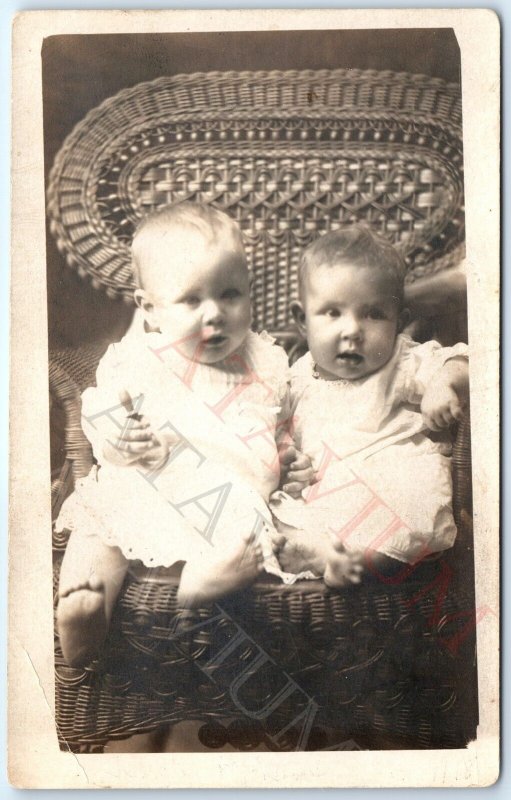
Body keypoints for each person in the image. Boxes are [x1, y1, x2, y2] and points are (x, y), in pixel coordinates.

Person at [56, 202, 313, 668]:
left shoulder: (268, 359)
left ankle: (202, 583)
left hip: (227, 496)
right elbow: (102, 410)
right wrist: (121, 436)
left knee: (247, 530)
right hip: (147, 484)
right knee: (99, 520)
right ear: (149, 309)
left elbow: (282, 422)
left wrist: (290, 457)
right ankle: (85, 609)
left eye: (231, 294)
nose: (214, 313)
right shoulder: (138, 356)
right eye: (191, 300)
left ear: (250, 293)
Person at [270, 225, 469, 587]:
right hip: (325, 487)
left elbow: (462, 360)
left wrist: (445, 382)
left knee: (409, 516)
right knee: (277, 511)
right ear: (302, 320)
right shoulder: (293, 378)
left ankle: (360, 561)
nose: (352, 331)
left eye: (374, 314)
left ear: (399, 320)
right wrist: (287, 459)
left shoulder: (400, 360)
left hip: (391, 478)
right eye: (332, 313)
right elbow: (279, 433)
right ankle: (321, 553)